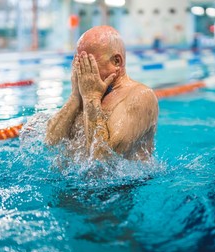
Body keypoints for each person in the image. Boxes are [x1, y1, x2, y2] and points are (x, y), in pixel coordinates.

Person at [45, 26, 159, 161]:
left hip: (125, 183)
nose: (82, 71)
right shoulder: (85, 93)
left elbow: (102, 159)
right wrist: (75, 97)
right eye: (79, 63)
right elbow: (50, 143)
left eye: (89, 63)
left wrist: (91, 97)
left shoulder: (140, 96)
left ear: (117, 61)